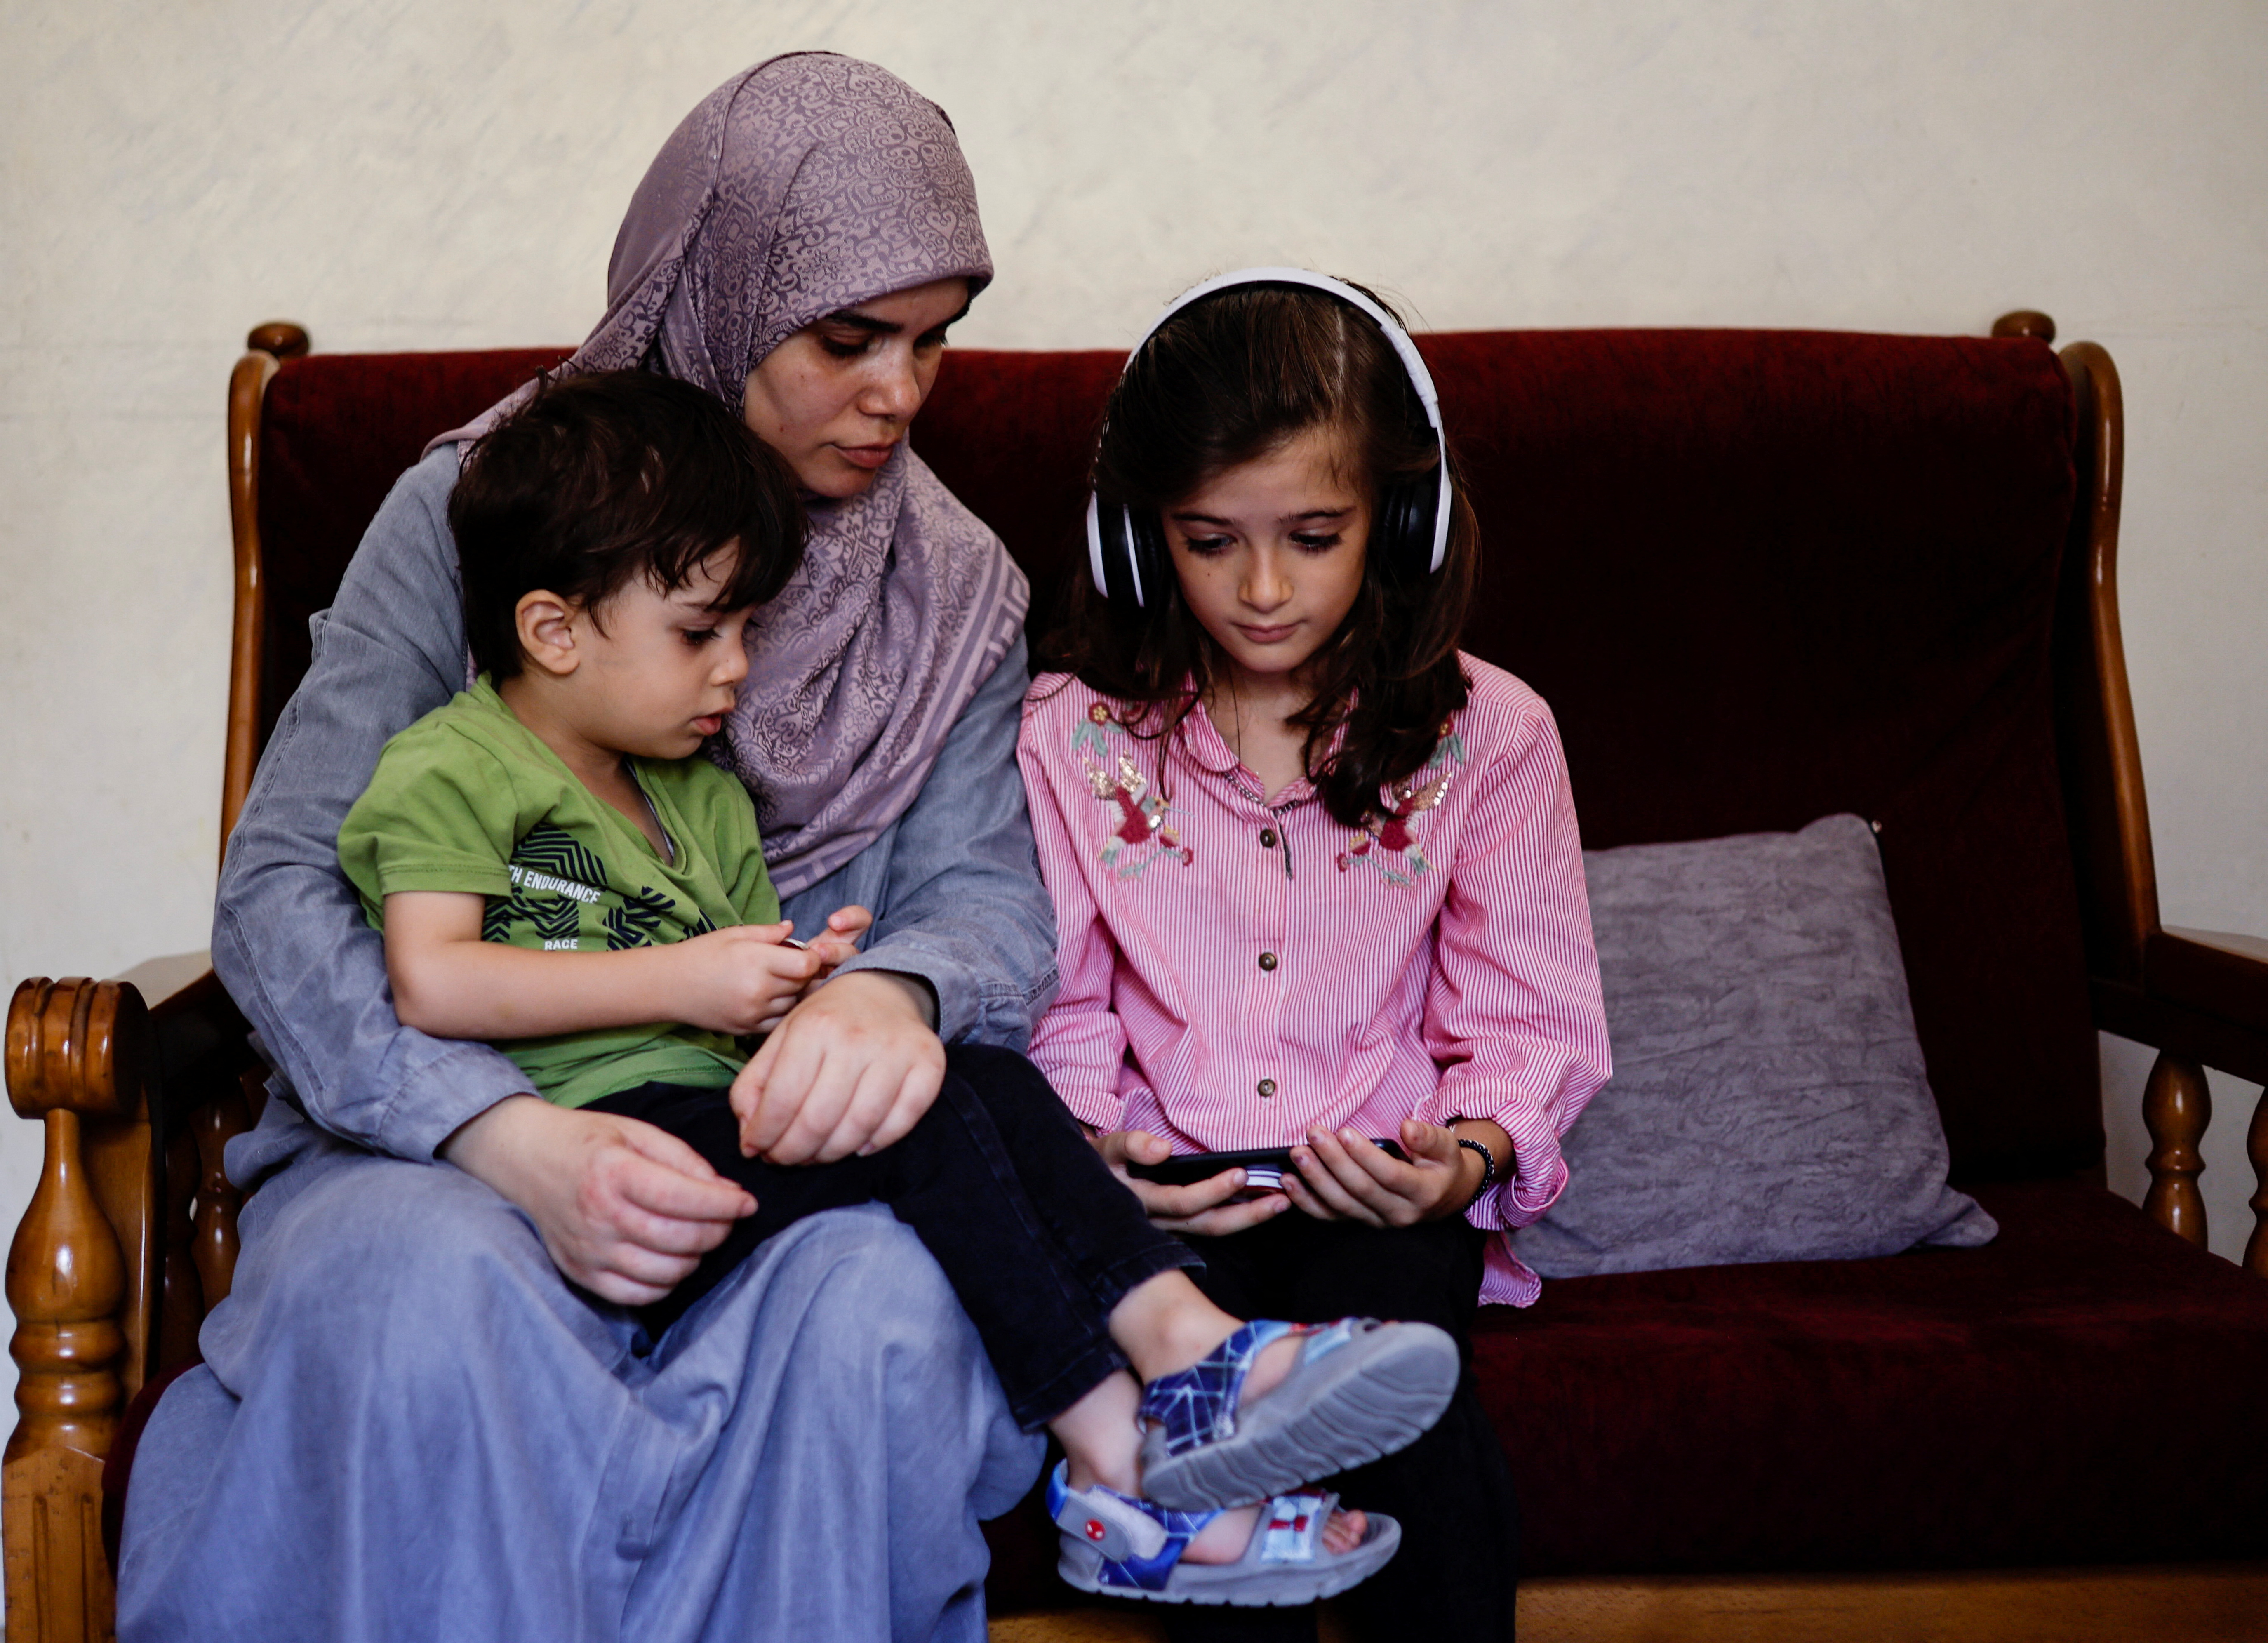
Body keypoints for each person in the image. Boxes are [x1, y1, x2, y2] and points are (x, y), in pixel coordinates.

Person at [126, 54, 1039, 1643]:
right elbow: (281, 890)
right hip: (440, 1142)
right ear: (723, 287)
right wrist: (492, 1134)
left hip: (776, 1159)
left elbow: (982, 898)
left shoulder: (958, 588)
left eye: (933, 343)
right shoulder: (484, 508)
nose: (898, 392)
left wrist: (885, 997)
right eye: (846, 339)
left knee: (886, 1313)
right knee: (420, 1293)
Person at [335, 367, 1451, 1607]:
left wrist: (806, 979)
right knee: (940, 1121)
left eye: (750, 630)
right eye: (703, 633)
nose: (738, 671)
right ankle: (1133, 1442)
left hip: (711, 1116)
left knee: (970, 1076)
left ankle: (1175, 1384)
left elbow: (724, 980)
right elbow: (429, 983)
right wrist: (692, 976)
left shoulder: (695, 790)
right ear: (553, 631)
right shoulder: (452, 767)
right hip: (600, 1138)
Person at [1017, 269, 1616, 1643]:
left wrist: (1461, 1160)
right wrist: (1101, 1159)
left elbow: (1529, 1017)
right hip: (1172, 1201)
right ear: (1137, 539)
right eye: (1209, 540)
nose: (1265, 587)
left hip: (1379, 1191)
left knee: (1409, 1389)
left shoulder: (1493, 732)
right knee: (1214, 1448)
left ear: (1399, 521)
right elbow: (1061, 1004)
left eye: (1315, 533)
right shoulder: (1068, 733)